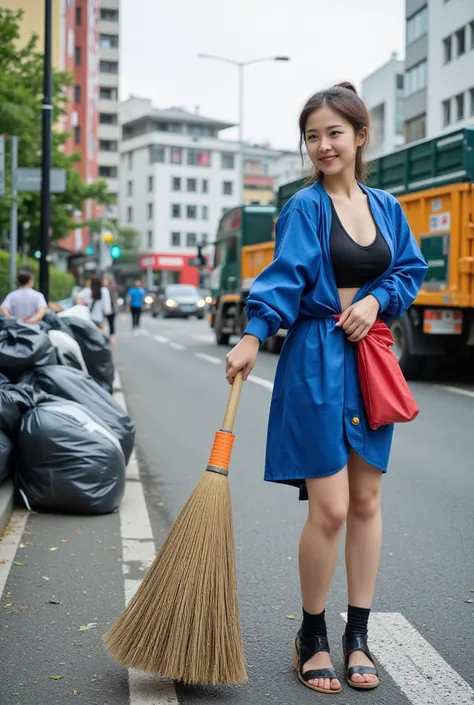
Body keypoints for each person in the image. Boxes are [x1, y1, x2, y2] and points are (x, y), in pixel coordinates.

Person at [225, 83, 427, 695]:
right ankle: (312, 633)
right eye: (312, 136)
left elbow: (409, 270)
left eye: (334, 133)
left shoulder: (387, 207)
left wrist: (375, 299)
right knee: (331, 506)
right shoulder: (303, 208)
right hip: (315, 357)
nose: (322, 145)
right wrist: (254, 335)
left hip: (371, 360)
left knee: (367, 502)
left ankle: (356, 634)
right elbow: (283, 278)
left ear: (360, 136)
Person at [102, 276, 118, 346]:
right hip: (102, 310)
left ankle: (112, 339)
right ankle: (103, 338)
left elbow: (114, 299)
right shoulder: (101, 289)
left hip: (112, 310)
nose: (105, 282)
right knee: (102, 324)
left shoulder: (112, 289)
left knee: (111, 325)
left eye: (106, 281)